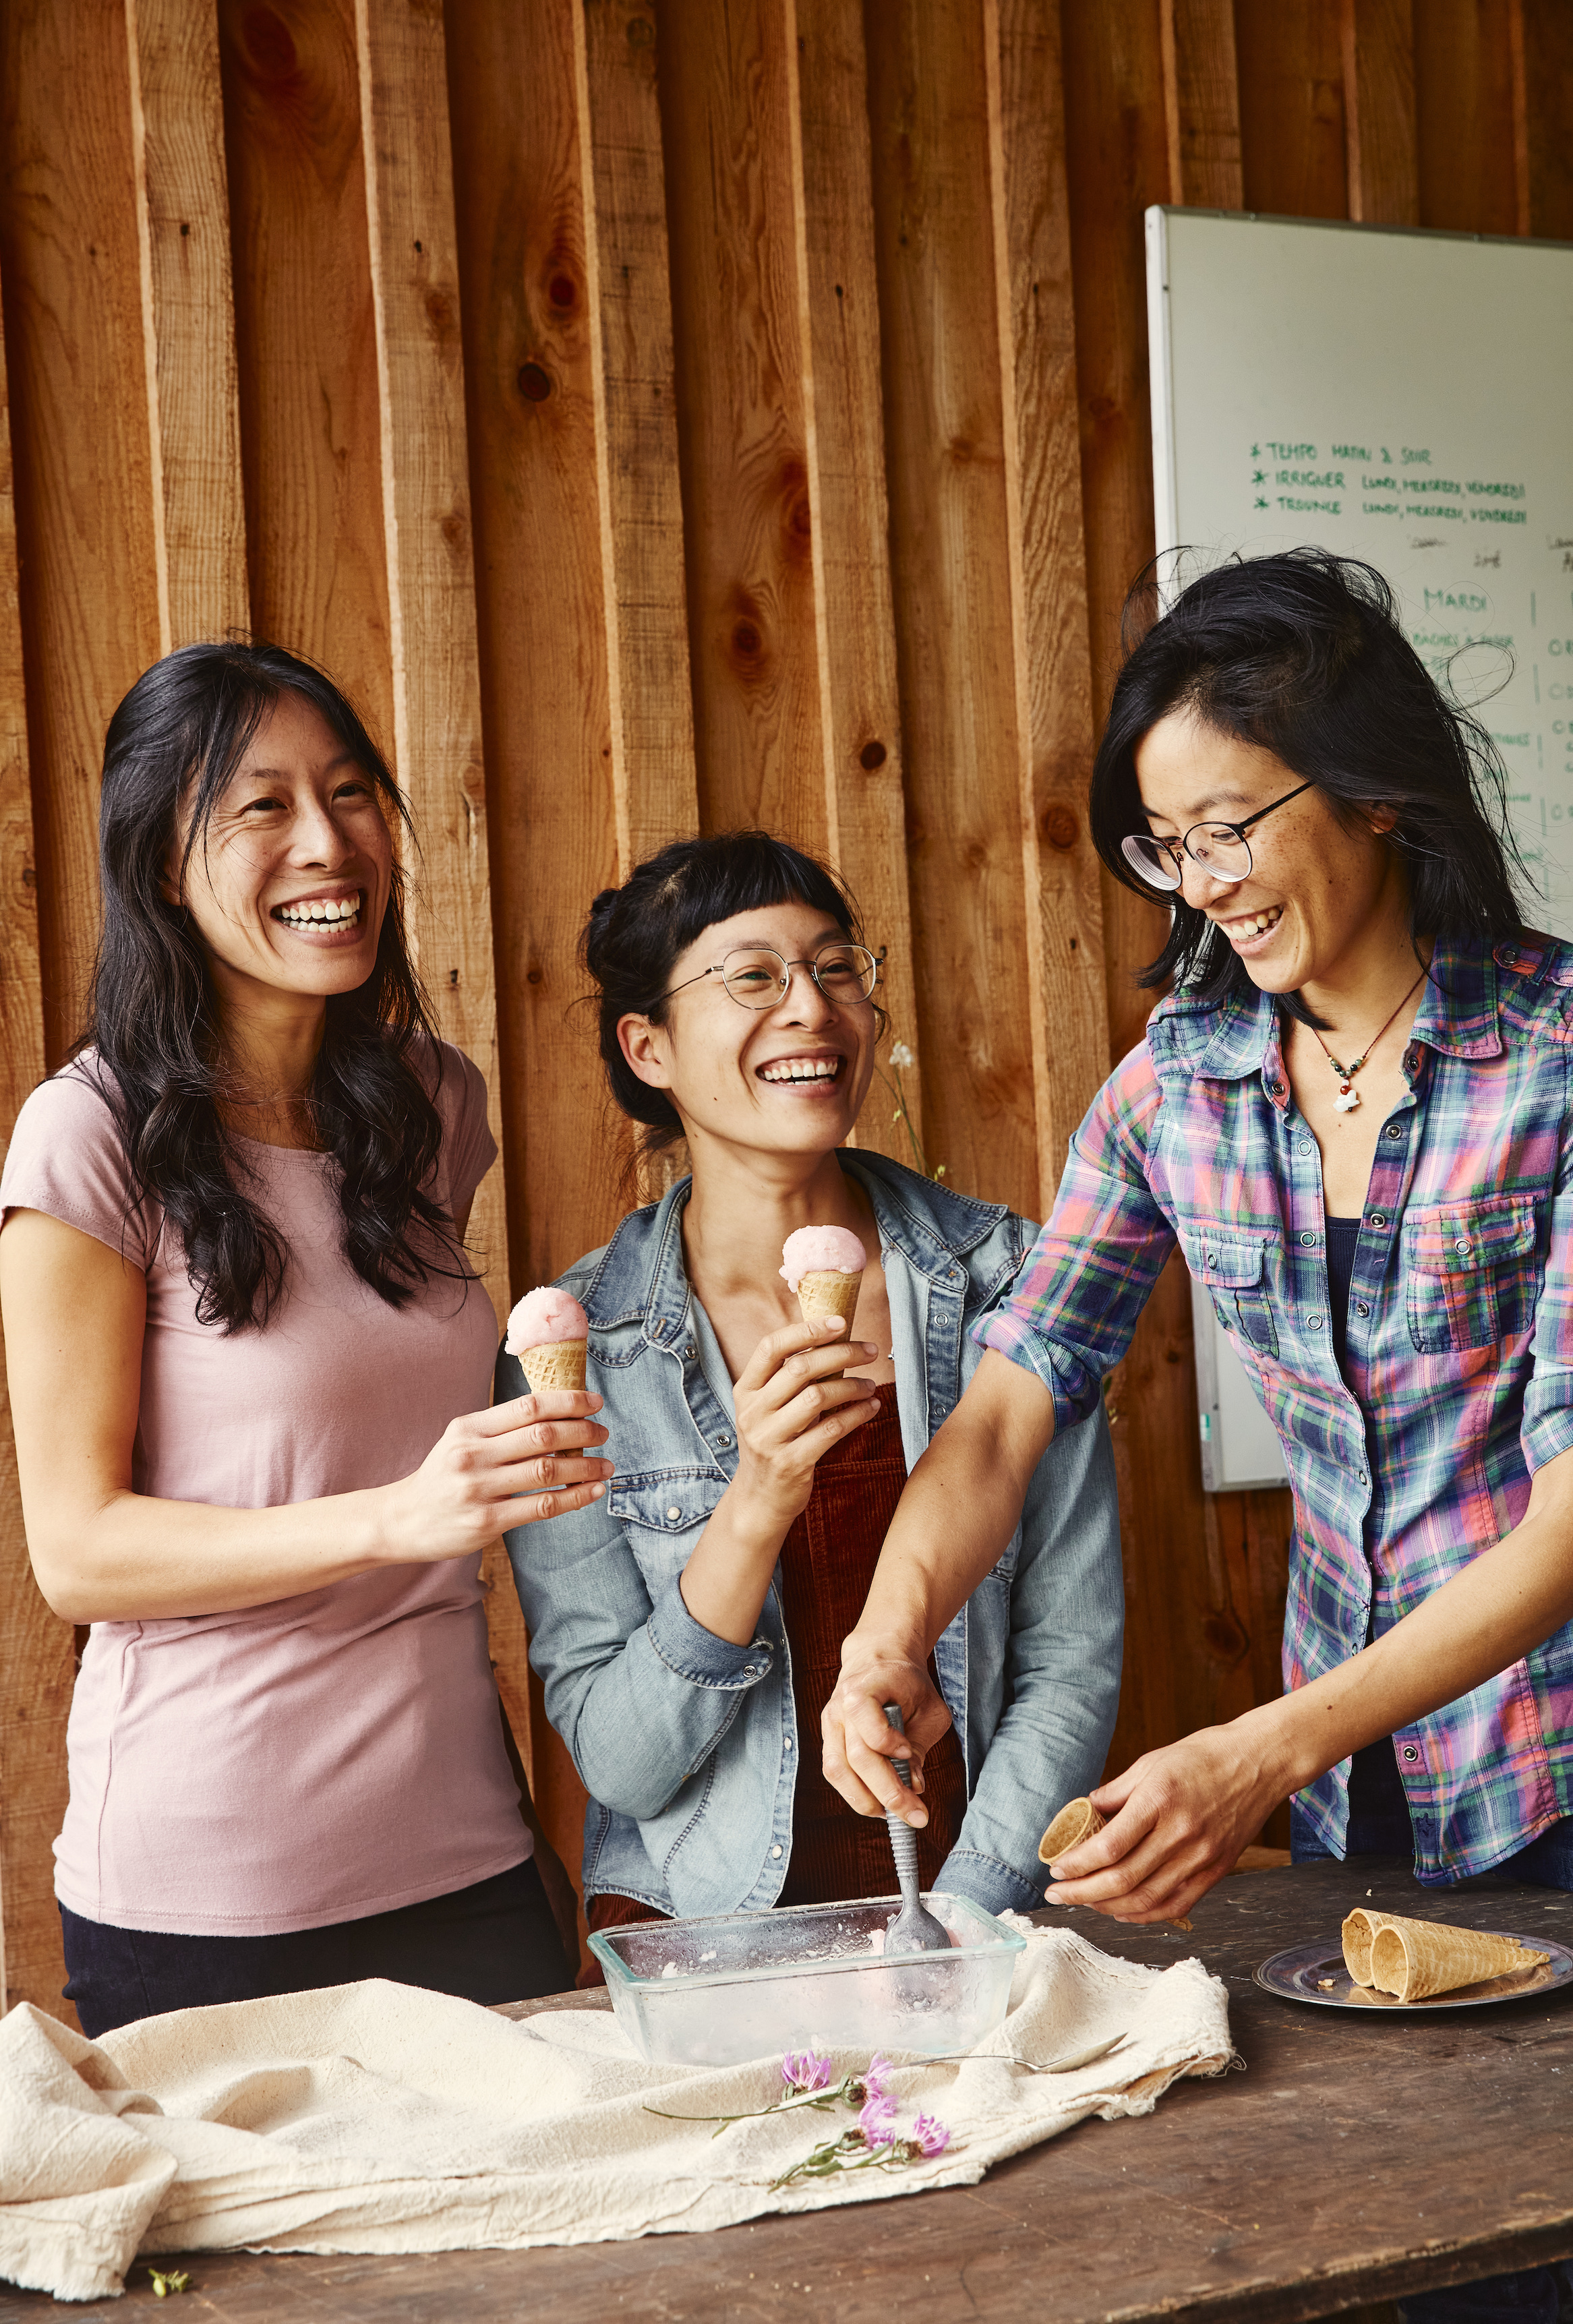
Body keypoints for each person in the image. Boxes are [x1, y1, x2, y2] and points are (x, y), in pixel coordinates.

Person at [821, 549, 1573, 2324]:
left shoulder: (1553, 1056)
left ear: (1372, 788)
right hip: (1353, 1799)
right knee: (1385, 2245)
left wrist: (1241, 1753)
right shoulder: (1173, 1085)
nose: (1203, 881)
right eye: (1167, 844)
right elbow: (1010, 1399)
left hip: (1549, 1770)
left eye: (1228, 823)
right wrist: (886, 1627)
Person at [0, 642, 608, 2036]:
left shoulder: (429, 1105)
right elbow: (79, 1549)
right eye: (260, 808)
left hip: (467, 1854)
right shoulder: (88, 1138)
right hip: (211, 1894)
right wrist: (400, 1515)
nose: (327, 842)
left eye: (349, 793)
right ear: (163, 864)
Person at [500, 832, 1122, 1964]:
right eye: (751, 977)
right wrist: (759, 1495)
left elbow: (1067, 1662)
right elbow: (622, 1763)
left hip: (982, 1910)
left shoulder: (1009, 1283)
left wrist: (965, 1918)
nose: (811, 1009)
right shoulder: (581, 1348)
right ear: (648, 1047)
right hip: (698, 1942)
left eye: (836, 967)